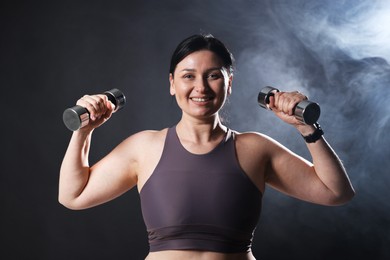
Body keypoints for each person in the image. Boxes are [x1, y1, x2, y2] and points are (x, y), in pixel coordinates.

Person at [59, 34, 355, 260]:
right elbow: (73, 196)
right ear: (172, 83)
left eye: (213, 75)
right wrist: (83, 132)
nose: (201, 87)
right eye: (189, 76)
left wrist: (306, 127)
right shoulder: (144, 147)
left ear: (229, 84)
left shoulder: (255, 149)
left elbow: (336, 192)